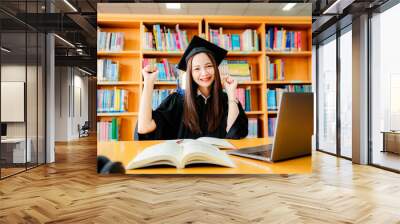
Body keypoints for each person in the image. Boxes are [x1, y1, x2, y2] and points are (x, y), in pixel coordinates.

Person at [137, 35, 248, 140]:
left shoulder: (226, 100)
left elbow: (234, 134)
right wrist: (148, 82)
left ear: (215, 68)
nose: (204, 73)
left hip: (219, 160)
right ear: (190, 73)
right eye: (197, 69)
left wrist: (231, 93)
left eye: (209, 66)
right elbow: (144, 128)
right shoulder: (177, 101)